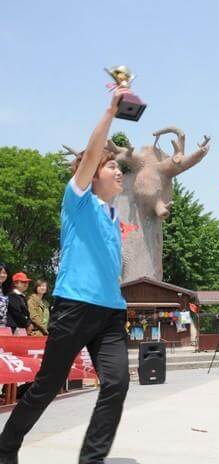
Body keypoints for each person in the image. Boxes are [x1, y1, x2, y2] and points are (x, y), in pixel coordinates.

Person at [0, 85, 133, 464]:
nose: (118, 172)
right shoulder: (77, 201)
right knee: (44, 387)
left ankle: (91, 459)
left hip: (109, 314)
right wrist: (111, 111)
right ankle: (6, 447)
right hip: (74, 308)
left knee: (117, 384)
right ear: (91, 175)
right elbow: (92, 154)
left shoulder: (113, 217)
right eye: (112, 167)